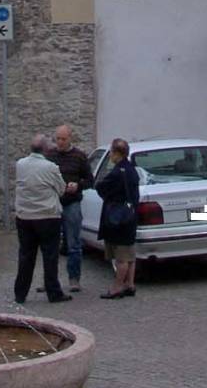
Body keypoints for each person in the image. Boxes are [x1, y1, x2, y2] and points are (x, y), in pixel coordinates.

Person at [12, 135, 71, 305]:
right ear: (45, 150)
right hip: (47, 216)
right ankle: (53, 292)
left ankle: (20, 293)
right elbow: (61, 189)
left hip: (25, 217)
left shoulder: (20, 164)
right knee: (50, 256)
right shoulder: (51, 167)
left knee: (26, 256)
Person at [95, 138, 141, 300]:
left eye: (111, 152)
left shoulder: (116, 173)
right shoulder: (132, 170)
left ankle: (117, 287)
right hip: (131, 216)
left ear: (116, 153)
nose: (110, 156)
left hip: (118, 218)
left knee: (121, 256)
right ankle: (130, 284)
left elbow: (101, 187)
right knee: (130, 254)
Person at [51, 123, 94, 293]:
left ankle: (74, 278)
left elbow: (90, 180)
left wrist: (78, 185)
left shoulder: (80, 156)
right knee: (51, 244)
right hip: (53, 203)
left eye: (63, 139)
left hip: (72, 203)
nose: (60, 142)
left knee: (74, 243)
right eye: (58, 139)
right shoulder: (50, 156)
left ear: (70, 139)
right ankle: (51, 279)